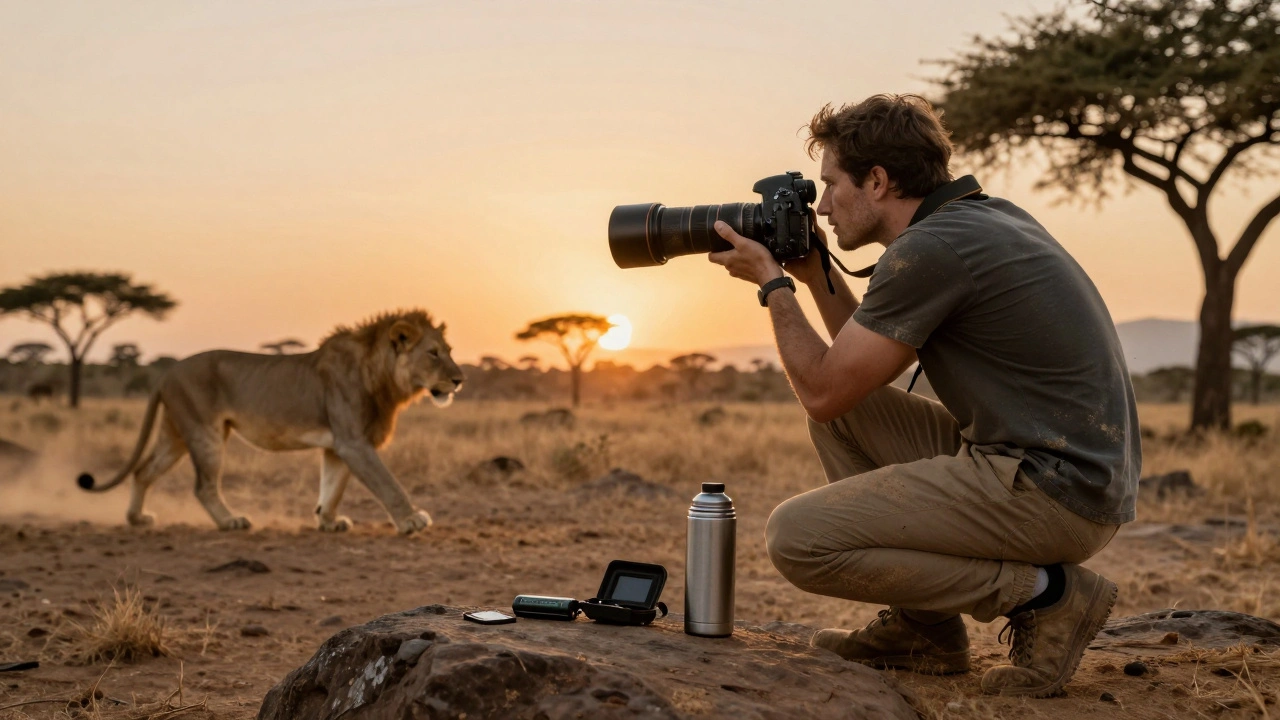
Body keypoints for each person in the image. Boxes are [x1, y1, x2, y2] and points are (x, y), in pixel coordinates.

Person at [707, 94, 1139, 698]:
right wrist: (814, 276)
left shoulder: (932, 248)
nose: (822, 205)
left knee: (798, 540)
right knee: (850, 417)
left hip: (1053, 492)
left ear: (878, 181)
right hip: (1061, 471)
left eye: (831, 185)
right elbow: (856, 376)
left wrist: (772, 285)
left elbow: (822, 389)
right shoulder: (979, 218)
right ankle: (924, 630)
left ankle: (1049, 596)